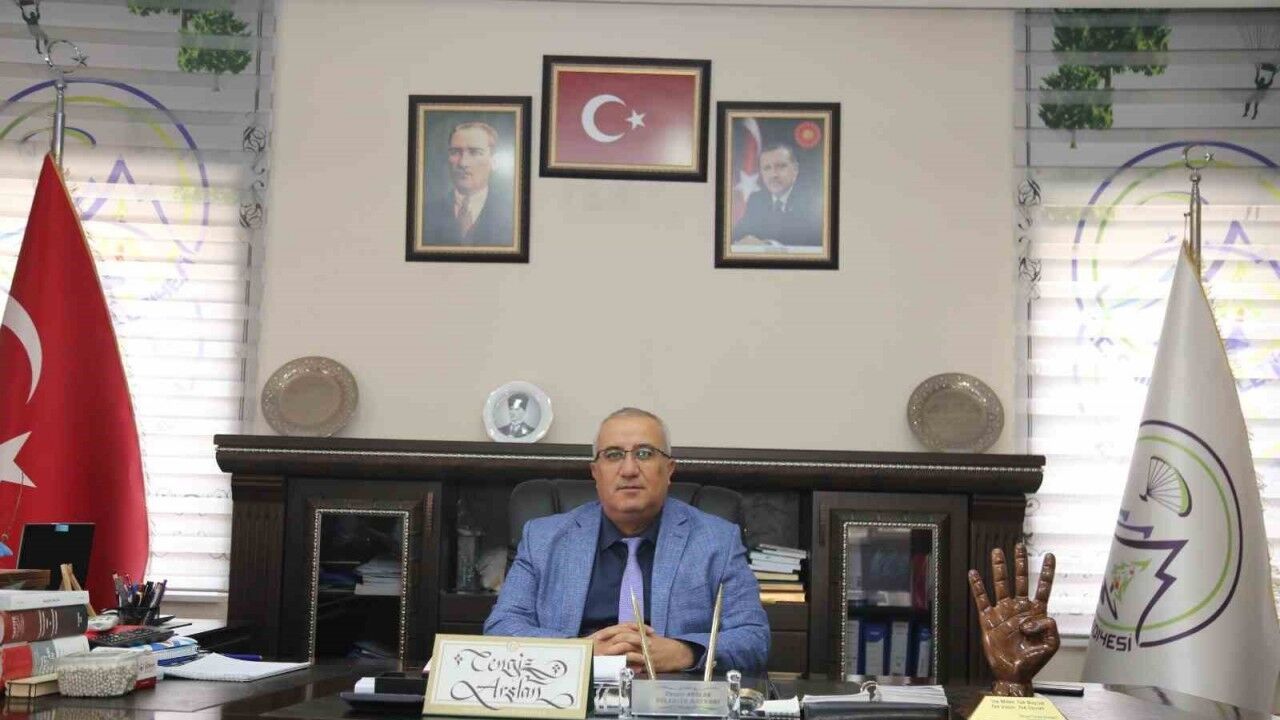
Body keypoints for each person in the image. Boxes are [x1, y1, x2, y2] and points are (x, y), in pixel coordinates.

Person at [484, 408, 770, 674]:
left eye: (644, 454)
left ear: (669, 469)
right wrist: (581, 652)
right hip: (576, 693)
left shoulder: (717, 540)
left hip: (671, 696)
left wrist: (685, 652)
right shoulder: (543, 538)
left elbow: (753, 637)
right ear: (595, 472)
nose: (629, 469)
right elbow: (501, 628)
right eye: (613, 455)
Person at [423, 121, 514, 247]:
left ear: (494, 161)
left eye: (475, 152)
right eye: (455, 152)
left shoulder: (511, 213)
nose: (463, 163)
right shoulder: (425, 214)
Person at [732, 141, 822, 248]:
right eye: (767, 168)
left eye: (781, 167)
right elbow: (736, 236)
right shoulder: (756, 199)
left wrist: (768, 246)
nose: (773, 174)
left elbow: (813, 244)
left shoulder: (812, 201)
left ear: (795, 170)